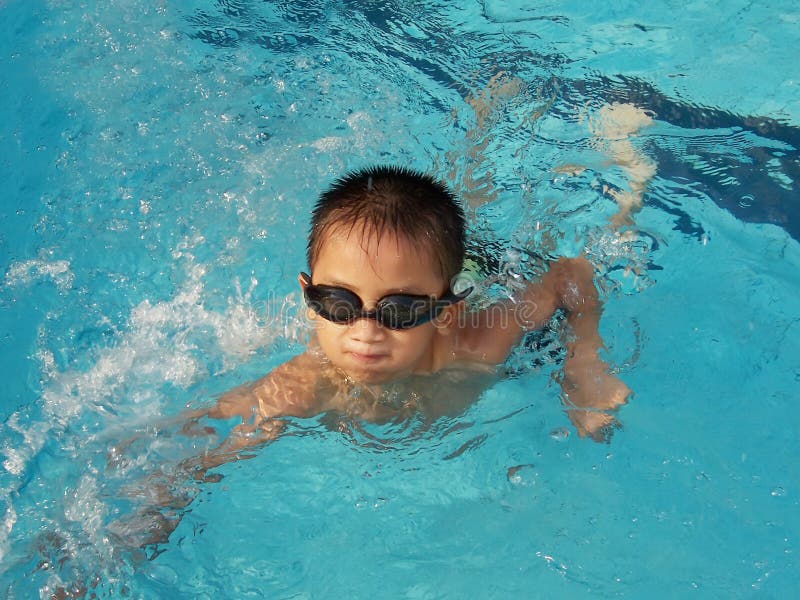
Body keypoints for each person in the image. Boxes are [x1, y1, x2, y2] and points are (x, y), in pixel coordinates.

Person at [201, 165, 629, 457]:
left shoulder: (479, 344)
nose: (364, 331)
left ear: (444, 313)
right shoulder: (304, 383)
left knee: (472, 235)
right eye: (338, 303)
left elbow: (569, 275)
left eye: (398, 310)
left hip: (487, 276)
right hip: (433, 271)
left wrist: (584, 363)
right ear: (310, 298)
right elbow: (193, 445)